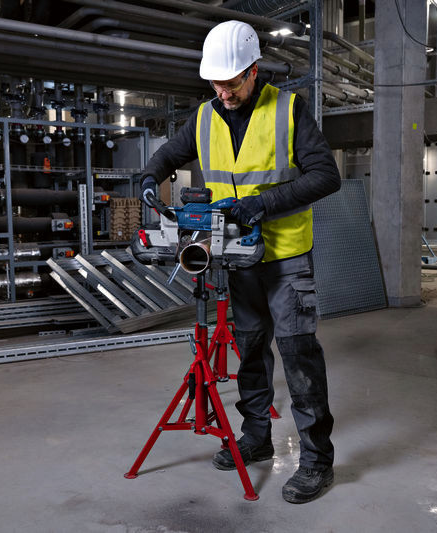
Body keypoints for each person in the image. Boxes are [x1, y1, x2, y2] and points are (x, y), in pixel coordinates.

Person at [139, 20, 341, 504]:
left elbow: (326, 176)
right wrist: (148, 178)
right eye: (216, 84)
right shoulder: (204, 116)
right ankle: (256, 438)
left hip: (286, 257)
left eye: (231, 82)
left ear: (253, 71)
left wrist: (263, 204)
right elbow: (169, 154)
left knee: (297, 354)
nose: (223, 92)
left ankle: (317, 462)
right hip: (236, 256)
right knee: (250, 350)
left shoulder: (288, 109)